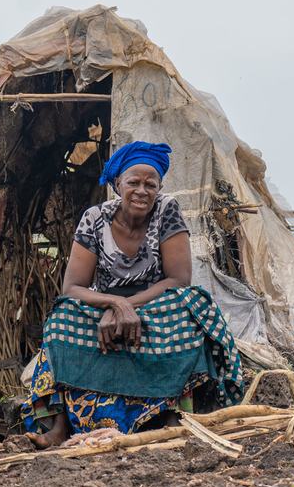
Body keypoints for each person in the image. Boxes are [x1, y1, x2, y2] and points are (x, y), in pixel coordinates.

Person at [22, 141, 243, 448]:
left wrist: (128, 306)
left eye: (150, 184)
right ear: (117, 185)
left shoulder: (167, 211)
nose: (142, 190)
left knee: (189, 309)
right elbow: (72, 287)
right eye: (133, 182)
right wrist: (116, 303)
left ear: (160, 187)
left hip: (157, 302)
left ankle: (171, 419)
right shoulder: (95, 218)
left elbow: (179, 279)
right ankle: (60, 427)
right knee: (62, 318)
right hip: (105, 304)